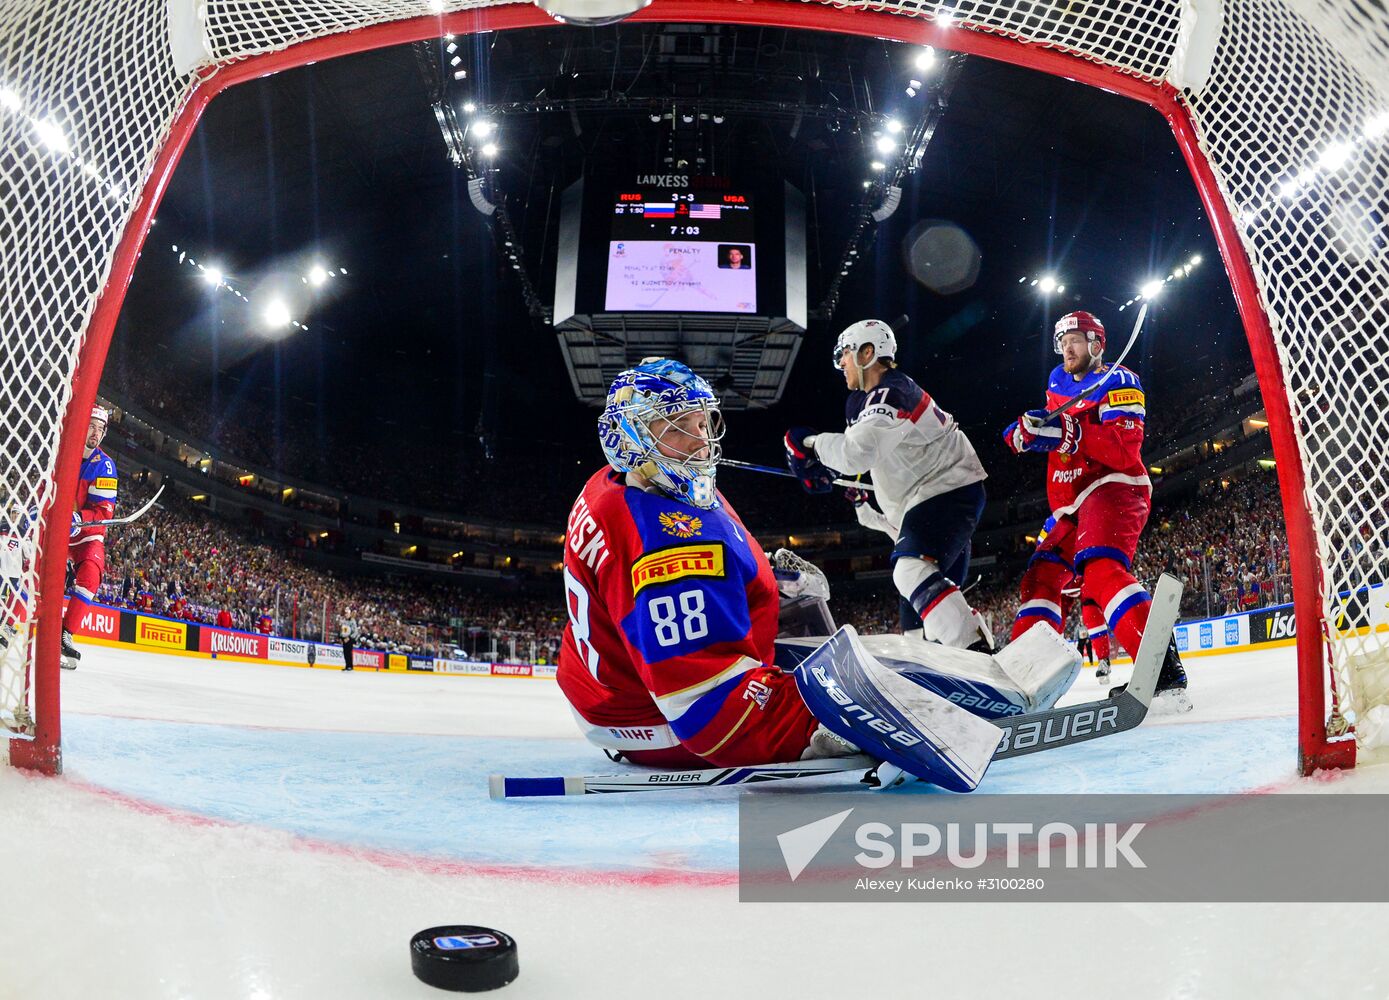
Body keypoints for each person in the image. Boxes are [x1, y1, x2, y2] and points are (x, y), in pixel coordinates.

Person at [557, 358, 844, 768]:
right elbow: (711, 715)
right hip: (651, 722)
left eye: (702, 423)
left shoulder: (621, 480)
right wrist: (835, 721)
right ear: (629, 437)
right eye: (675, 426)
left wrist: (760, 574)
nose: (701, 442)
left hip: (606, 689)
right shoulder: (664, 546)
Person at [1002, 309, 1189, 707]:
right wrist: (1024, 432)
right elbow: (1050, 431)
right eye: (1062, 340)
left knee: (1100, 567)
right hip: (1069, 504)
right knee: (1041, 580)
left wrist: (1066, 432)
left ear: (1097, 344)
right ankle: (1021, 683)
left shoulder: (1121, 381)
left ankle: (1161, 672)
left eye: (1075, 339)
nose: (1066, 347)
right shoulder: (1056, 382)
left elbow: (1123, 450)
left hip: (1112, 486)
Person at [783, 319, 993, 651]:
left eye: (846, 354)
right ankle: (956, 666)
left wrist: (807, 443)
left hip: (944, 490)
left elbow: (857, 454)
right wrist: (825, 467)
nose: (841, 363)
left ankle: (978, 653)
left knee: (909, 572)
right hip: (931, 497)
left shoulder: (891, 392)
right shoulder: (867, 400)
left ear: (868, 353)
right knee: (916, 609)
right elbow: (866, 455)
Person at [61, 405, 118, 669]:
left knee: (92, 575)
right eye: (91, 426)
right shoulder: (63, 452)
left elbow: (103, 512)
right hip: (57, 529)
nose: (95, 433)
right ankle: (11, 623)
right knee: (32, 568)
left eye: (99, 429)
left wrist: (78, 519)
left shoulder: (105, 466)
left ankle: (65, 634)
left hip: (85, 535)